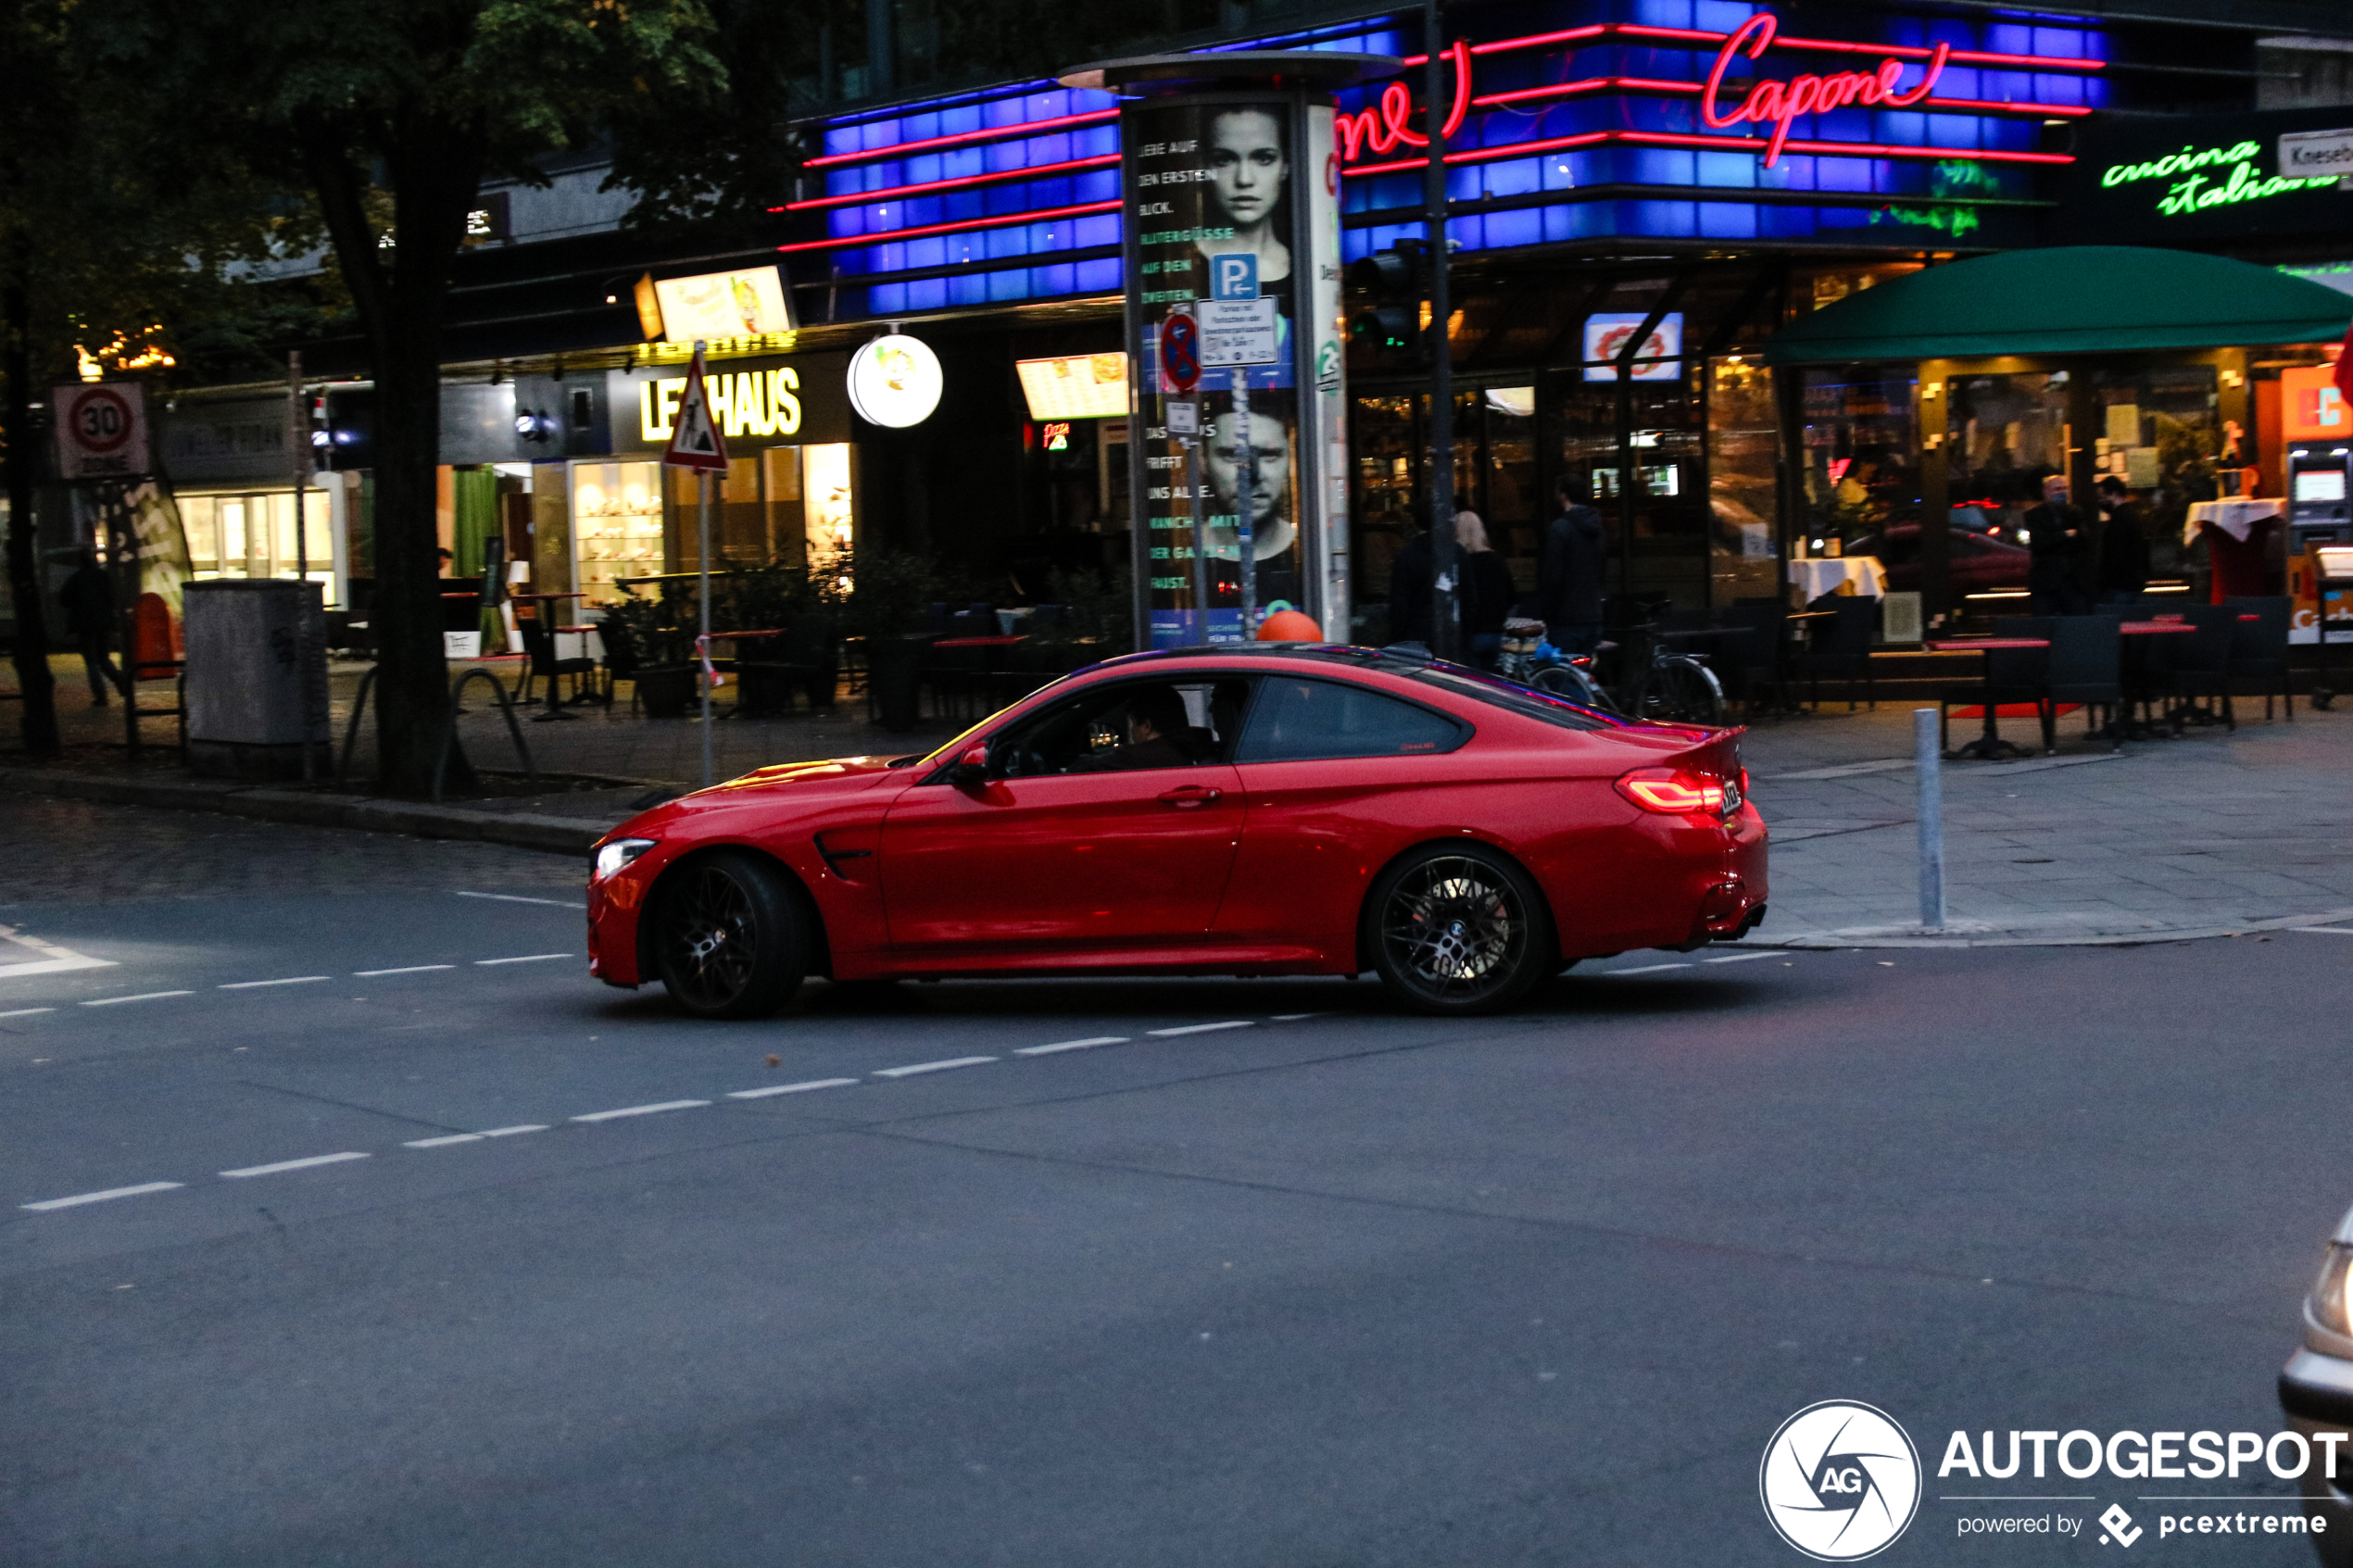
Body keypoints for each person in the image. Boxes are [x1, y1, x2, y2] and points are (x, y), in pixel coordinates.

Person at [1201, 406, 1298, 613]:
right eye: (1232, 455)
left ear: (1290, 461)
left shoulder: (1305, 554)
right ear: (1203, 461)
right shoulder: (1186, 558)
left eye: (1270, 455)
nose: (1252, 476)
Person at [1196, 107, 1290, 284]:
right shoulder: (1186, 262)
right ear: (1205, 167)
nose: (1244, 180)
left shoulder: (1306, 258)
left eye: (1264, 159)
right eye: (1223, 160)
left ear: (1285, 166)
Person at [1537, 473, 1607, 654]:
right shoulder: (1597, 528)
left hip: (1566, 619)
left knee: (1562, 674)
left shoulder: (1559, 529)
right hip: (1593, 615)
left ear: (1563, 496)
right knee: (1582, 673)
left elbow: (1553, 576)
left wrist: (1547, 612)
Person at [1074, 685, 1194, 771]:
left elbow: (1083, 769)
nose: (1131, 730)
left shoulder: (1137, 757)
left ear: (1147, 727)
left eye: (1133, 723)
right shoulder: (1192, 751)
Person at [57, 549, 120, 708]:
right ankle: (120, 680)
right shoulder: (103, 576)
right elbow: (112, 598)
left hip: (85, 625)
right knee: (103, 657)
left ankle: (101, 696)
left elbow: (64, 600)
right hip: (103, 623)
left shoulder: (75, 578)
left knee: (91, 661)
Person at [1456, 510, 1516, 671]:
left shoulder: (1462, 562)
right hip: (1495, 633)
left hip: (1472, 633)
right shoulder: (1497, 559)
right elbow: (1511, 595)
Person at [2023, 473, 2089, 616]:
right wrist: (2065, 535)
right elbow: (2039, 543)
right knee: (2044, 626)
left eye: (2064, 488)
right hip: (2045, 582)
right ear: (2046, 492)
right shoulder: (2034, 515)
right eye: (2057, 489)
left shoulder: (2075, 512)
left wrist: (2053, 538)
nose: (2062, 492)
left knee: (2077, 625)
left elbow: (2082, 541)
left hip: (2072, 581)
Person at [2095, 476, 2149, 605]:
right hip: (2131, 583)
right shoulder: (2132, 515)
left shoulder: (2119, 519)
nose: (2101, 501)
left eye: (2103, 496)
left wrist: (2103, 581)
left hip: (2119, 586)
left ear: (2114, 494)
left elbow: (2113, 554)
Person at [1386, 516, 1435, 648]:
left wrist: (1397, 636)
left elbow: (1400, 600)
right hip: (1449, 630)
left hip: (1416, 633)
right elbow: (1469, 597)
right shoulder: (1456, 552)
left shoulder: (1406, 555)